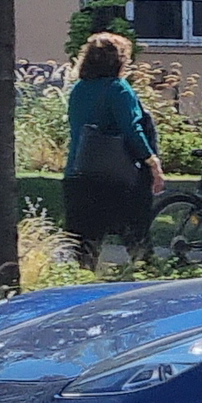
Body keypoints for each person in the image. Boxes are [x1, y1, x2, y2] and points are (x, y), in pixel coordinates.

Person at [63, 31, 163, 265]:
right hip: (117, 178)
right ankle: (143, 283)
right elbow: (132, 129)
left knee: (84, 248)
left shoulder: (79, 90)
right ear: (119, 60)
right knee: (137, 241)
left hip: (78, 173)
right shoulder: (118, 88)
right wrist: (152, 161)